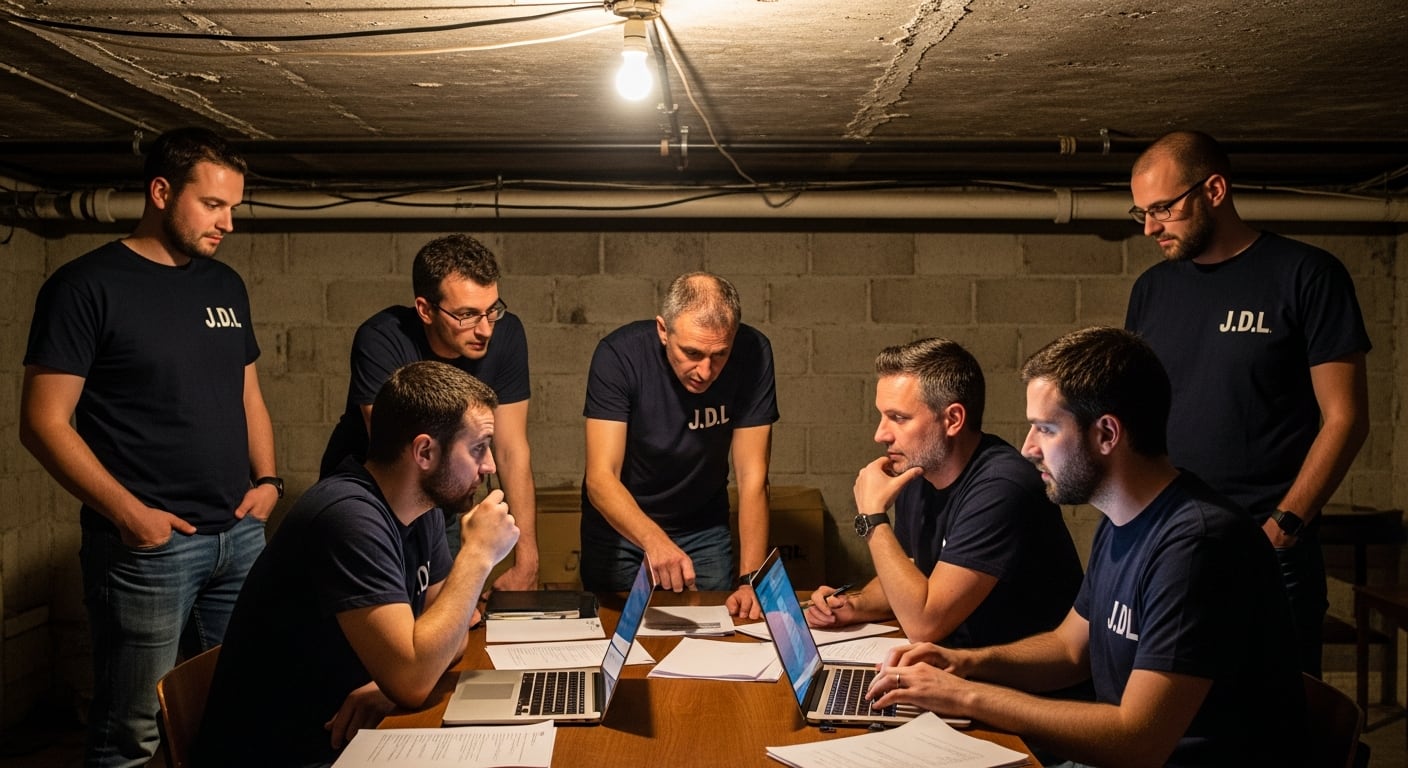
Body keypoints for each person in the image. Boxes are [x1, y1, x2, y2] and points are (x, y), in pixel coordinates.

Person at [867, 327, 1306, 768]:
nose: (1028, 448)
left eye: (1046, 428)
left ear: (1107, 434)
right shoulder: (1122, 519)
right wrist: (961, 663)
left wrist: (966, 696)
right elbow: (1070, 649)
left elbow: (1140, 740)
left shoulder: (1197, 545)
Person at [18, 127, 279, 767]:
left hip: (238, 534)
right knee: (132, 729)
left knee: (242, 704)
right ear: (161, 192)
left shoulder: (225, 286)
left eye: (234, 208)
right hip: (150, 548)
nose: (228, 224)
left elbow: (248, 394)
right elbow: (43, 423)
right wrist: (131, 516)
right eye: (213, 205)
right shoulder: (86, 287)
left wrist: (269, 483)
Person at [1124, 130, 1371, 676]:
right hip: (1165, 538)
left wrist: (1284, 525)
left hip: (1264, 545)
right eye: (1140, 212)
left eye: (1162, 208)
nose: (1150, 227)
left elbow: (1346, 419)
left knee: (1271, 721)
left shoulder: (1306, 275)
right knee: (1161, 716)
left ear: (1213, 189)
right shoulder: (1151, 290)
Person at [195, 361, 519, 767]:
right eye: (477, 448)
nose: (489, 465)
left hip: (350, 737)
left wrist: (391, 683)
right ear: (424, 451)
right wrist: (479, 555)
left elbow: (449, 637)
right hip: (286, 754)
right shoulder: (347, 517)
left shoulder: (423, 509)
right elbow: (418, 677)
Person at [804, 338, 1081, 648]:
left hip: (1021, 685)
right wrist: (856, 605)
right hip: (959, 669)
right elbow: (909, 570)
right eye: (882, 416)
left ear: (952, 419)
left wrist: (871, 519)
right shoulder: (919, 471)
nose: (880, 434)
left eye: (898, 418)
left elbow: (924, 624)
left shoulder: (1003, 486)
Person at [320, 233, 539, 592]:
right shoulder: (382, 339)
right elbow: (406, 460)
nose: (484, 329)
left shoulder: (507, 334)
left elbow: (511, 449)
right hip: (370, 502)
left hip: (441, 497)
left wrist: (526, 555)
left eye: (492, 310)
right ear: (425, 310)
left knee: (448, 623)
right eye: (467, 315)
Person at [582, 272, 777, 618]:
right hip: (623, 526)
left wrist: (751, 579)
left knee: (717, 637)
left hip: (703, 527)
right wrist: (654, 542)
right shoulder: (620, 355)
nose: (705, 370)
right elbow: (600, 478)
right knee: (624, 641)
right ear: (663, 330)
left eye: (719, 355)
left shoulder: (753, 353)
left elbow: (753, 477)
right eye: (692, 353)